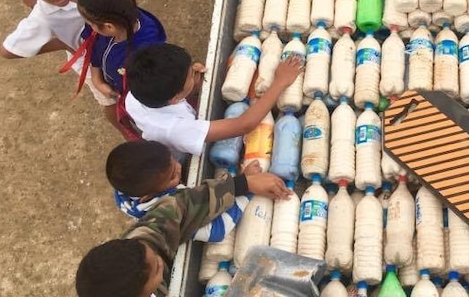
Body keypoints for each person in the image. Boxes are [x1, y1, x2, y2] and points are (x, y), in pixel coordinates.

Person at [75, 165, 291, 297]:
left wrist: (243, 184)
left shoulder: (140, 245)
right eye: (158, 267)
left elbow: (179, 208)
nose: (161, 259)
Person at [124, 43, 302, 157]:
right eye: (191, 75)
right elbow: (243, 125)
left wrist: (190, 83)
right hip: (176, 154)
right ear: (175, 97)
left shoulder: (136, 94)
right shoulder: (176, 129)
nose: (195, 72)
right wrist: (280, 82)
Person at [0, 0, 110, 106]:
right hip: (89, 60)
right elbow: (7, 51)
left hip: (118, 40)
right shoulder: (43, 15)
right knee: (110, 102)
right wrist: (62, 44)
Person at [107, 140, 250, 242]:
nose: (179, 167)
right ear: (148, 196)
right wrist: (247, 192)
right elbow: (217, 231)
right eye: (172, 176)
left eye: (173, 159)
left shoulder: (127, 189)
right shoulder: (171, 215)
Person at [76, 0, 167, 135]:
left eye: (90, 24)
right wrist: (97, 79)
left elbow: (153, 87)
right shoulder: (120, 17)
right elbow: (94, 50)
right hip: (117, 89)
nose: (89, 27)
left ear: (109, 27)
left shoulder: (147, 50)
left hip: (141, 99)